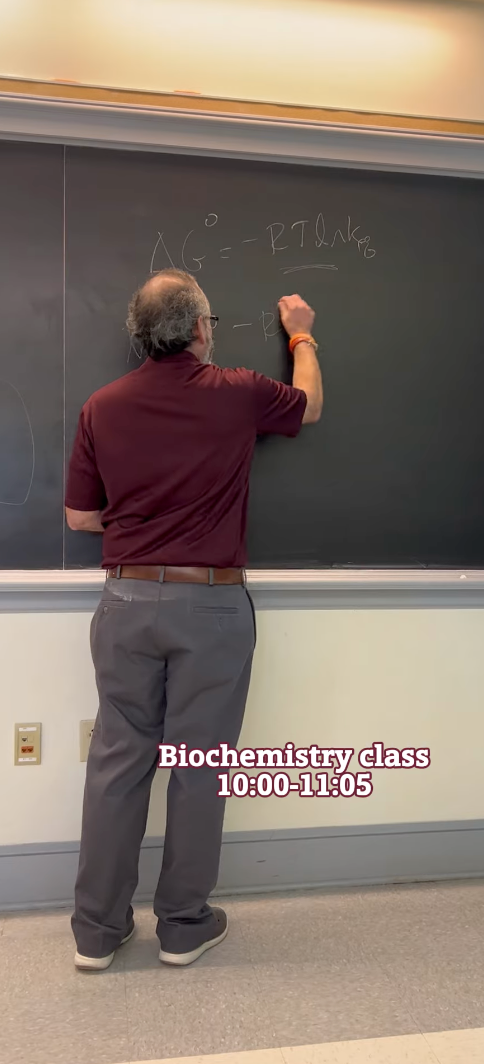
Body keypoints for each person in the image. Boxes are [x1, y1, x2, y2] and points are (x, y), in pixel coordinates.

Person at [65, 269, 322, 971]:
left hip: (124, 601)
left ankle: (96, 931)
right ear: (202, 328)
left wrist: (143, 524)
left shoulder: (102, 406)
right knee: (199, 767)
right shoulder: (237, 392)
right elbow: (310, 405)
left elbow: (80, 517)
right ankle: (182, 926)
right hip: (210, 604)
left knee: (117, 764)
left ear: (139, 334)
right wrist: (300, 331)